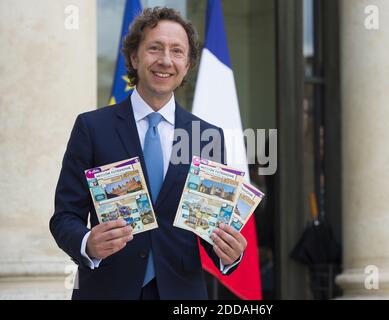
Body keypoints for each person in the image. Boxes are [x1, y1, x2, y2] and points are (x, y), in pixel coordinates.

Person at [50, 7, 247, 300]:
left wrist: (229, 253)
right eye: (155, 48)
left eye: (177, 51)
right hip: (106, 290)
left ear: (188, 63)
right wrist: (87, 242)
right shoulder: (91, 127)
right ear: (134, 57)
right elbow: (65, 216)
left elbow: (209, 228)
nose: (165, 60)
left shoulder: (207, 137)